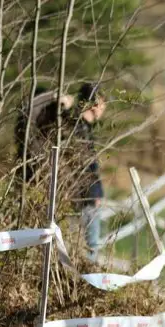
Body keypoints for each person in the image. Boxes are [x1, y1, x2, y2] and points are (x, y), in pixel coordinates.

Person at [72, 82, 107, 261]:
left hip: (83, 195)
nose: (104, 107)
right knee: (91, 245)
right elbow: (84, 167)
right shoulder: (79, 131)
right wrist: (94, 194)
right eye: (102, 102)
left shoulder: (81, 129)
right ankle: (88, 282)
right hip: (84, 197)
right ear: (93, 103)